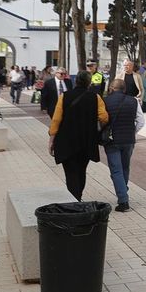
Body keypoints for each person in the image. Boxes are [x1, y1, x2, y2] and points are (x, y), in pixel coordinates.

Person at [48, 71, 108, 201]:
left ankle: (74, 199)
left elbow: (56, 120)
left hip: (66, 141)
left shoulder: (64, 96)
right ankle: (78, 196)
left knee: (70, 172)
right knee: (81, 170)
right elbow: (104, 117)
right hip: (86, 141)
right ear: (89, 82)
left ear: (76, 81)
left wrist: (52, 140)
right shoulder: (95, 97)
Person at [102, 78, 140, 212]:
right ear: (124, 89)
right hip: (129, 140)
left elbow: (101, 119)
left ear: (111, 88)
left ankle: (123, 201)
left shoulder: (105, 101)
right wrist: (132, 131)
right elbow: (140, 121)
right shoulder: (133, 101)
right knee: (125, 168)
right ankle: (123, 191)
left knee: (116, 170)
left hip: (112, 141)